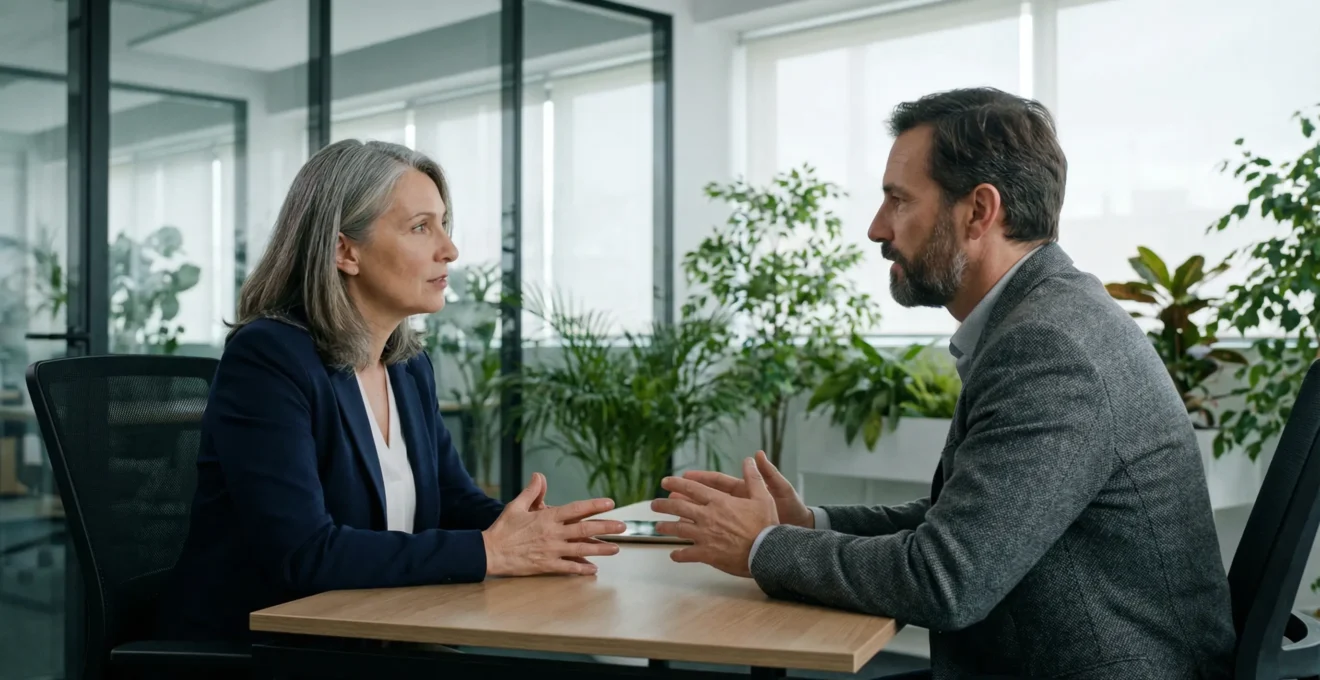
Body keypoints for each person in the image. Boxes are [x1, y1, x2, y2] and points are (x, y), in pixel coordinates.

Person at [651, 88, 1236, 680]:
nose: (877, 228)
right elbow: (959, 521)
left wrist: (763, 546)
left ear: (979, 211)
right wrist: (807, 525)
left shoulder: (1050, 347)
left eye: (898, 200)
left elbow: (946, 578)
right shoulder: (1046, 317)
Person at [157, 139, 626, 643]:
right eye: (421, 227)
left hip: (382, 629)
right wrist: (490, 551)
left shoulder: (408, 365)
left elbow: (452, 498)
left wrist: (540, 535)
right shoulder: (268, 357)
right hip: (264, 648)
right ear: (344, 251)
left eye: (444, 224)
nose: (449, 249)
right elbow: (303, 552)